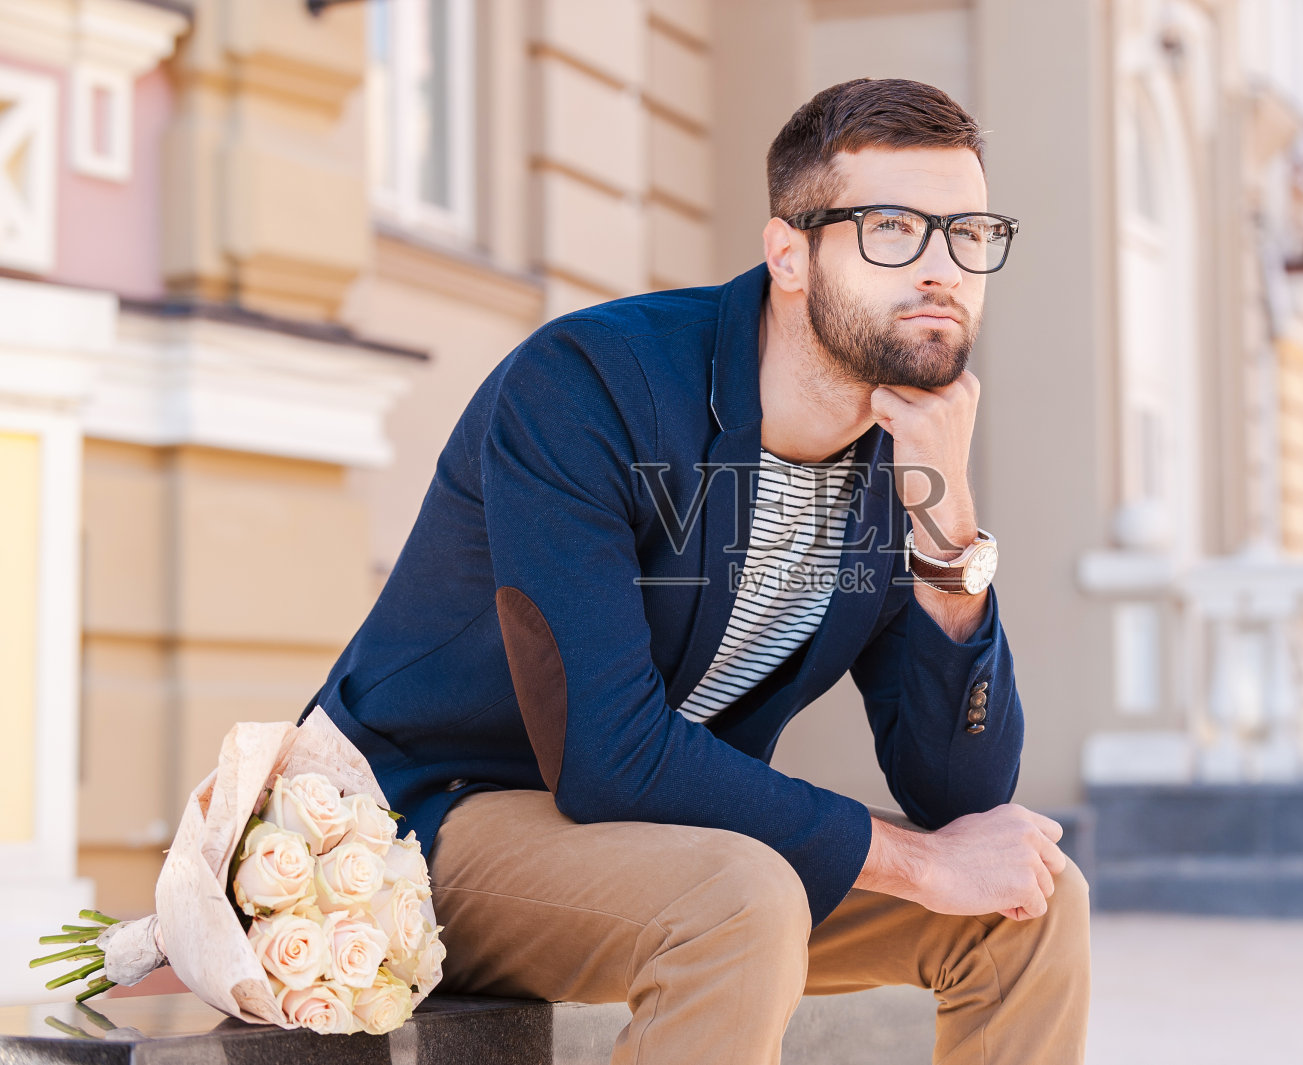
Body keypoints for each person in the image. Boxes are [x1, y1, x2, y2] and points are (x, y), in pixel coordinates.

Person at [305, 77, 1090, 1064]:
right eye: (894, 228)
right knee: (740, 895)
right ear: (788, 254)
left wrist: (945, 530)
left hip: (660, 847)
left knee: (1030, 902)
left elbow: (959, 789)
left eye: (966, 233)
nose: (940, 269)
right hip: (418, 825)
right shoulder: (592, 385)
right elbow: (609, 756)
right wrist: (921, 869)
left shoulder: (902, 462)